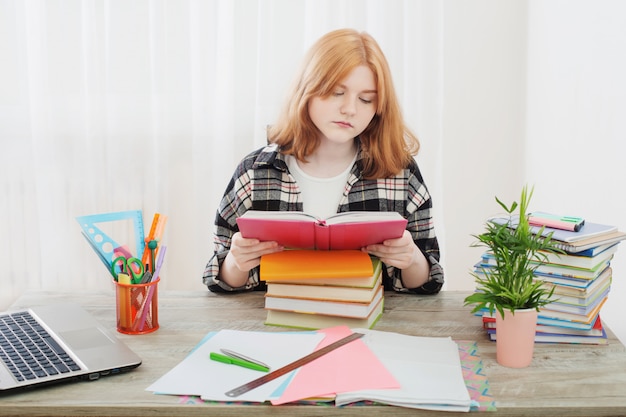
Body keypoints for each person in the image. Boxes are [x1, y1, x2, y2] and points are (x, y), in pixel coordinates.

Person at [203, 28, 444, 295]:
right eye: (336, 93)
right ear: (307, 90)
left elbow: (427, 281)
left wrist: (410, 258)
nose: (350, 109)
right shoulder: (256, 172)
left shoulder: (399, 172)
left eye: (366, 99)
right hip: (277, 327)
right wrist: (237, 262)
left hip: (370, 327)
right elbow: (219, 277)